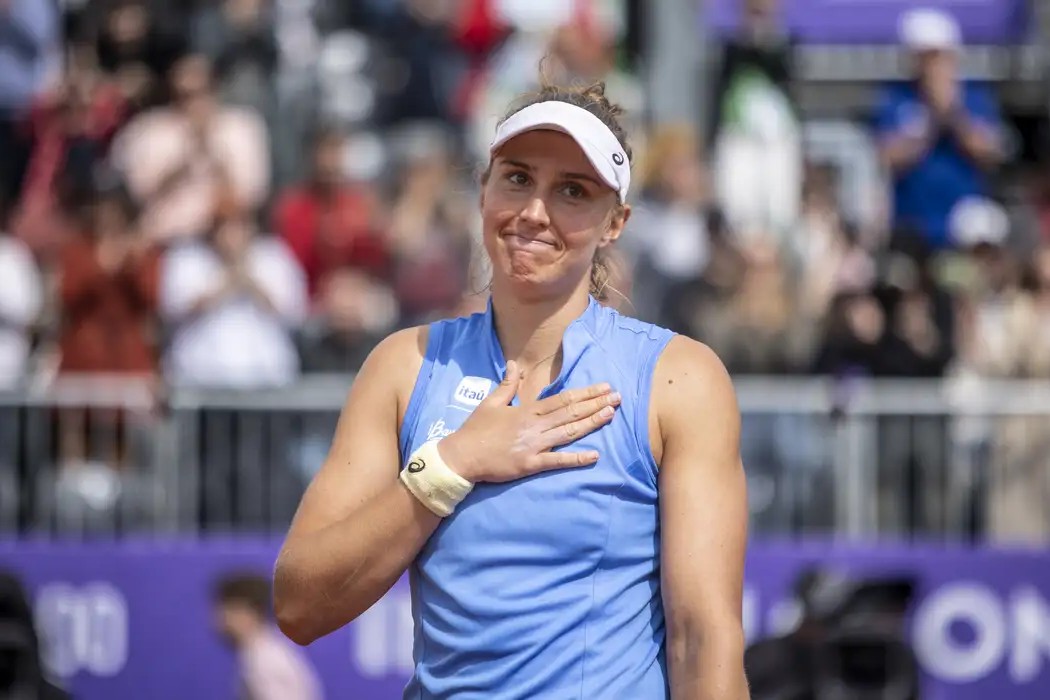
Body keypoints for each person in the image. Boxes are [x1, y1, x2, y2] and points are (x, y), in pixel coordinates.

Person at [274, 79, 750, 699]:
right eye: (518, 178)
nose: (533, 212)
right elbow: (299, 604)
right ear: (483, 189)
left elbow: (704, 640)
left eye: (572, 191)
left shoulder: (677, 379)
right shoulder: (404, 365)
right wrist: (453, 464)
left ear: (616, 223)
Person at [874, 8, 1003, 251]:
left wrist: (953, 114)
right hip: (912, 224)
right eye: (923, 57)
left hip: (965, 226)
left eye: (936, 56)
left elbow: (989, 151)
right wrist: (931, 120)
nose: (930, 66)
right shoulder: (896, 97)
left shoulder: (974, 96)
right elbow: (886, 155)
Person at [213, 573, 322, 700]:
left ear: (246, 611)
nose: (218, 619)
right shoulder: (261, 652)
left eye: (225, 610)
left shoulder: (265, 659)